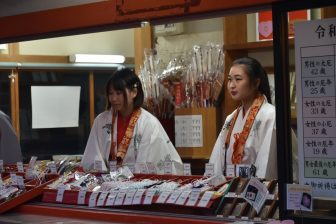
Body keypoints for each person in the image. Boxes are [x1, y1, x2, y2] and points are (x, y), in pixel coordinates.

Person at [81, 68, 183, 174]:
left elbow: (151, 159)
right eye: (110, 93)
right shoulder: (101, 121)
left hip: (137, 185)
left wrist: (128, 179)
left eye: (118, 93)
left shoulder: (149, 123)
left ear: (134, 92)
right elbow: (93, 155)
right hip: (105, 184)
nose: (114, 98)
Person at [209, 57, 277, 179]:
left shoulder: (270, 115)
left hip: (254, 188)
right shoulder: (231, 118)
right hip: (230, 187)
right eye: (229, 80)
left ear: (256, 83)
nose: (232, 85)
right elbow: (218, 159)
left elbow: (267, 162)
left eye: (238, 79)